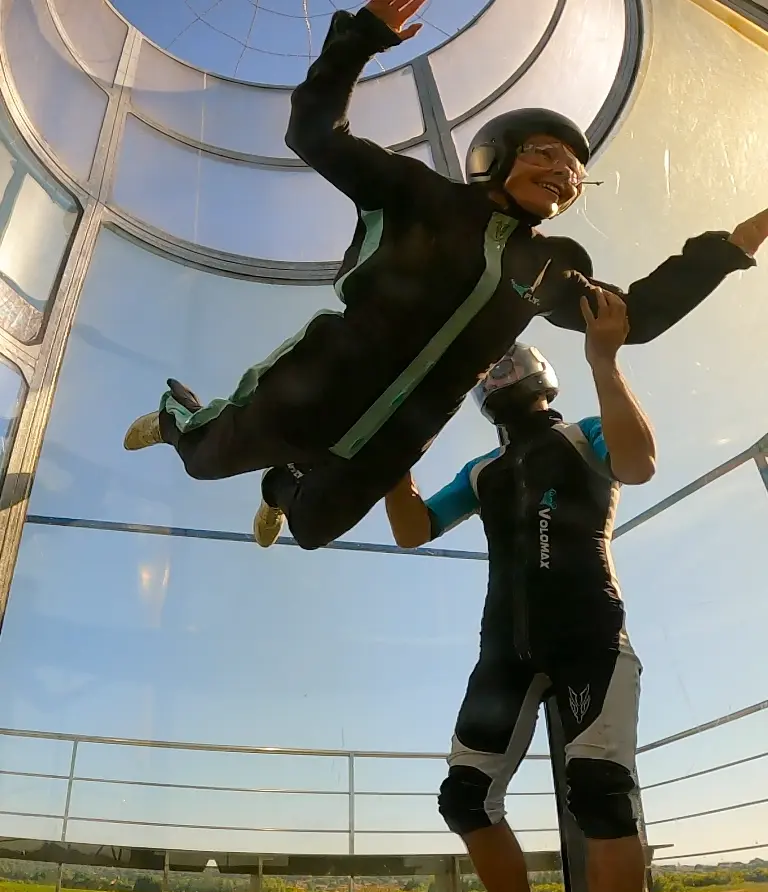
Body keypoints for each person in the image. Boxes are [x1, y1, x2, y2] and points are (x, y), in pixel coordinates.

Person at [123, 0, 765, 554]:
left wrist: (731, 248)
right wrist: (361, 37)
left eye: (575, 170)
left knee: (313, 527)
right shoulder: (413, 193)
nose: (566, 173)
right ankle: (177, 410)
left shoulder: (552, 263)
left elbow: (636, 317)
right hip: (313, 386)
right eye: (547, 153)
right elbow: (314, 132)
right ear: (499, 156)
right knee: (205, 461)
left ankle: (278, 486)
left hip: (399, 437)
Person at [384, 293, 653, 892]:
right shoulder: (480, 471)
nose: (496, 368)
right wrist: (392, 465)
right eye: (486, 365)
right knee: (464, 797)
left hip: (591, 634)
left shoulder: (586, 432)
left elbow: (640, 461)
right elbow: (413, 529)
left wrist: (604, 358)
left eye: (506, 357)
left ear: (537, 374)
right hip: (504, 648)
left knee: (600, 790)